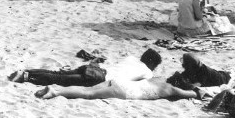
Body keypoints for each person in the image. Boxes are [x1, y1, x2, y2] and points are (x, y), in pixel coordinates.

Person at [9, 48, 161, 87]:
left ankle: (26, 71)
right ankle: (26, 77)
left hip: (95, 67)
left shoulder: (131, 58)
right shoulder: (147, 72)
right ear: (152, 65)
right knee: (59, 79)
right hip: (99, 77)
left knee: (57, 73)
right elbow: (144, 84)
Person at [35, 77, 199, 101]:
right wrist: (199, 92)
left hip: (121, 82)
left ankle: (57, 87)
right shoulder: (171, 90)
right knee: (89, 94)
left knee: (89, 88)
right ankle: (56, 91)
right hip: (125, 92)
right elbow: (191, 93)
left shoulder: (160, 80)